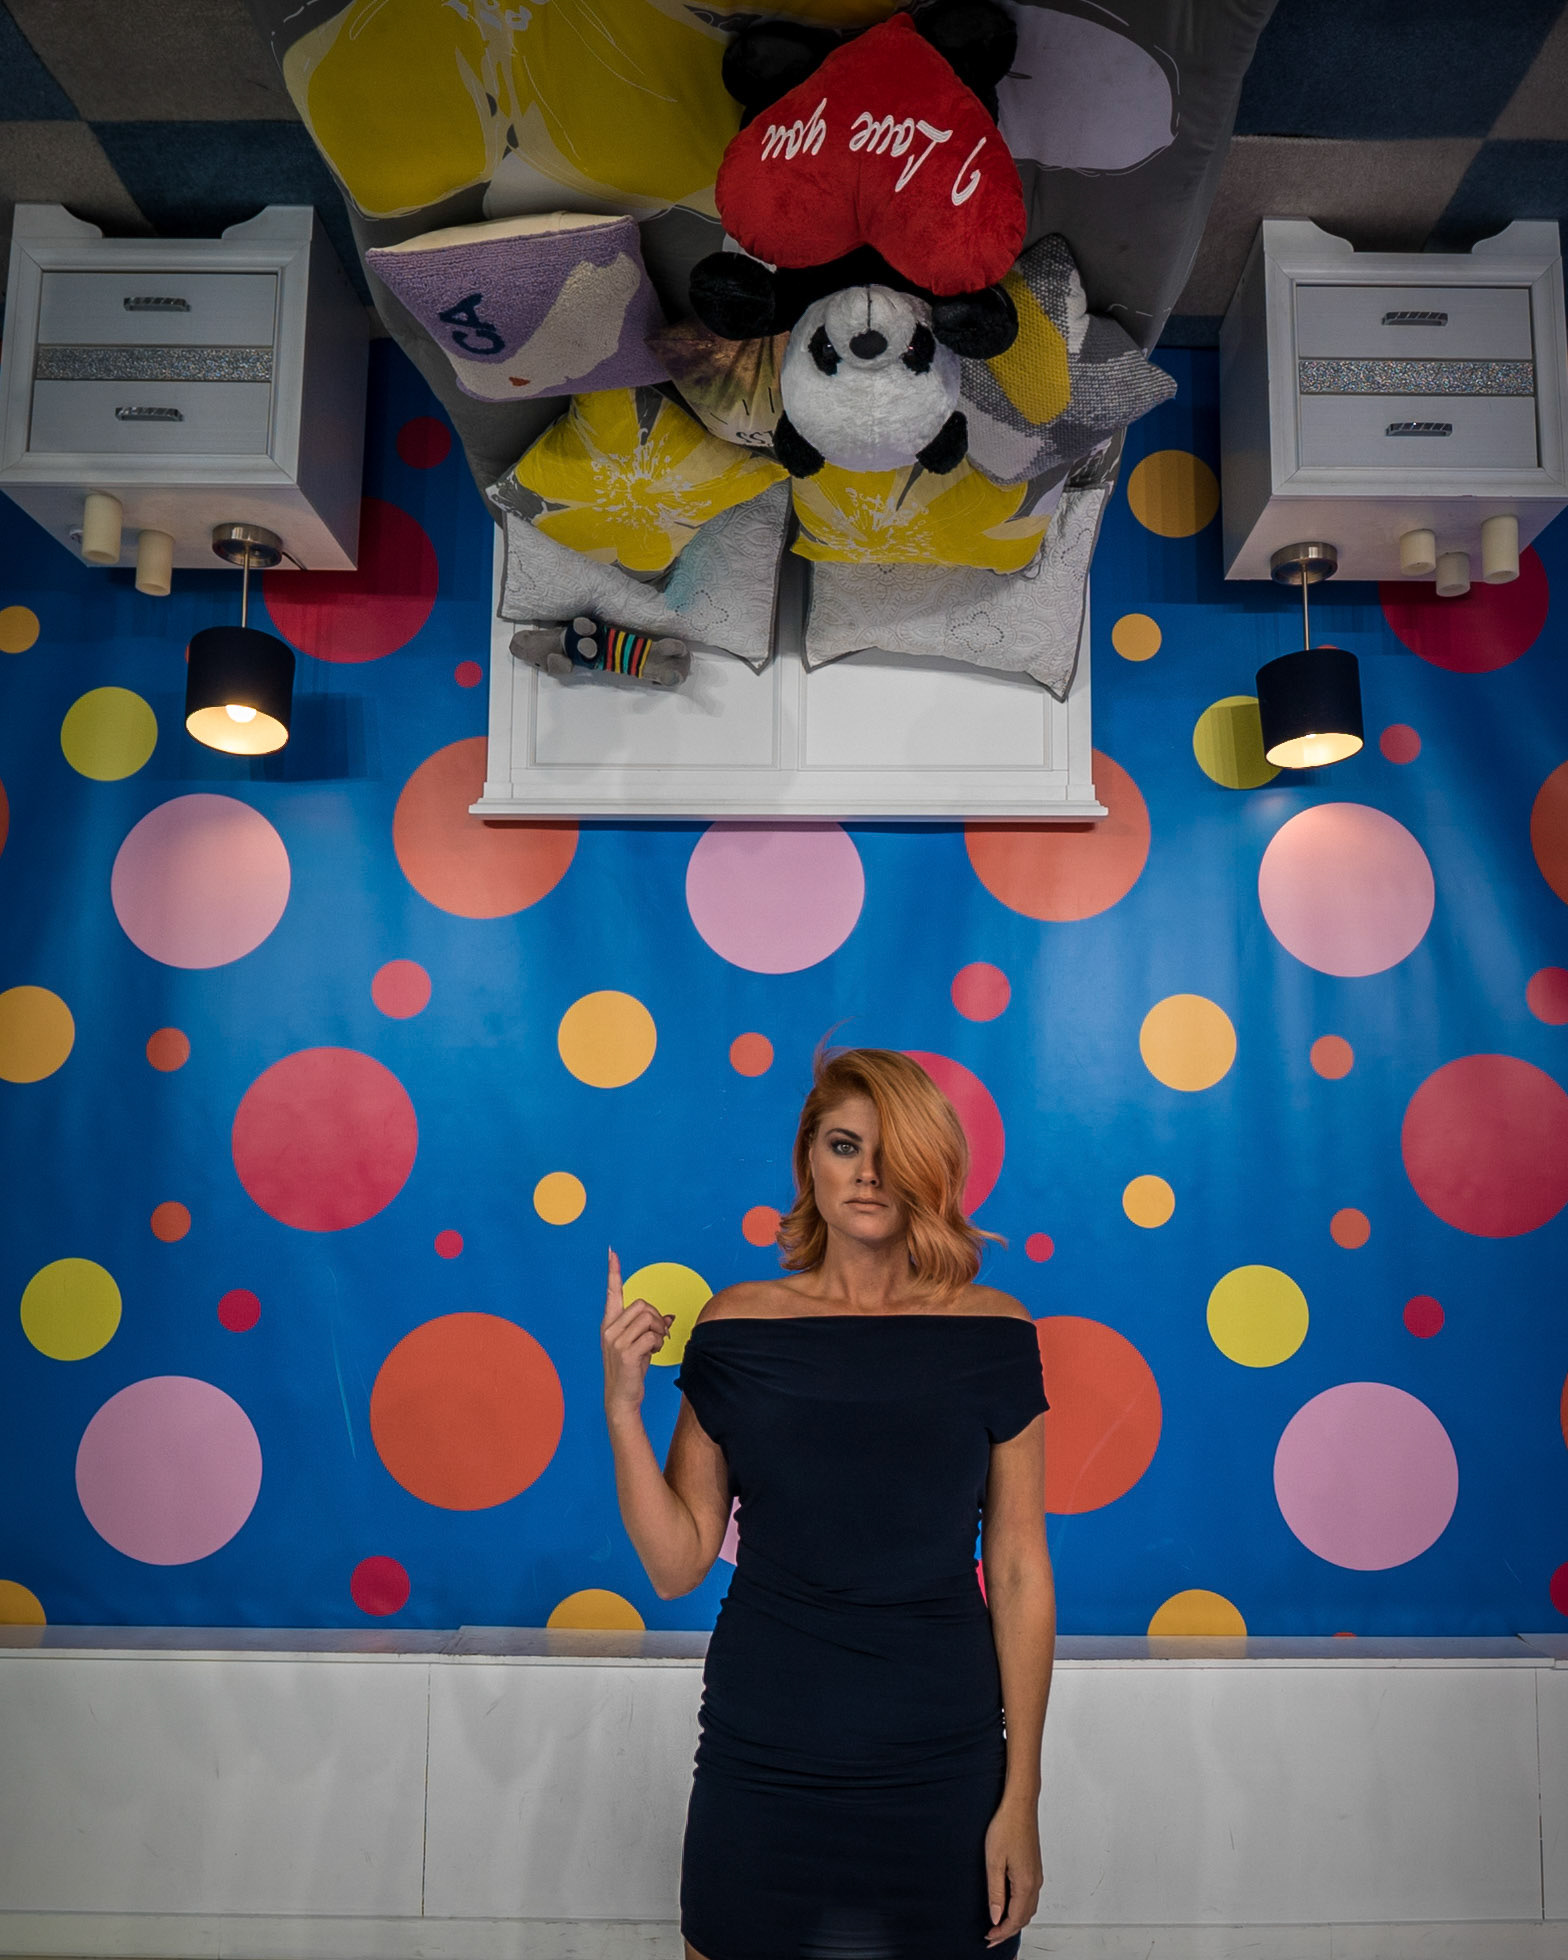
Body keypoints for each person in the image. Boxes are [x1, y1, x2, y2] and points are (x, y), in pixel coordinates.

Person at [602, 1046, 1055, 1960]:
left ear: (931, 1165)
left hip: (945, 1759)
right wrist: (622, 1407)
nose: (869, 1173)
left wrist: (1022, 1797)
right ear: (809, 1157)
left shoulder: (995, 1332)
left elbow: (1016, 1570)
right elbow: (677, 1563)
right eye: (845, 1145)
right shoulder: (736, 1327)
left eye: (894, 1150)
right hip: (762, 1756)